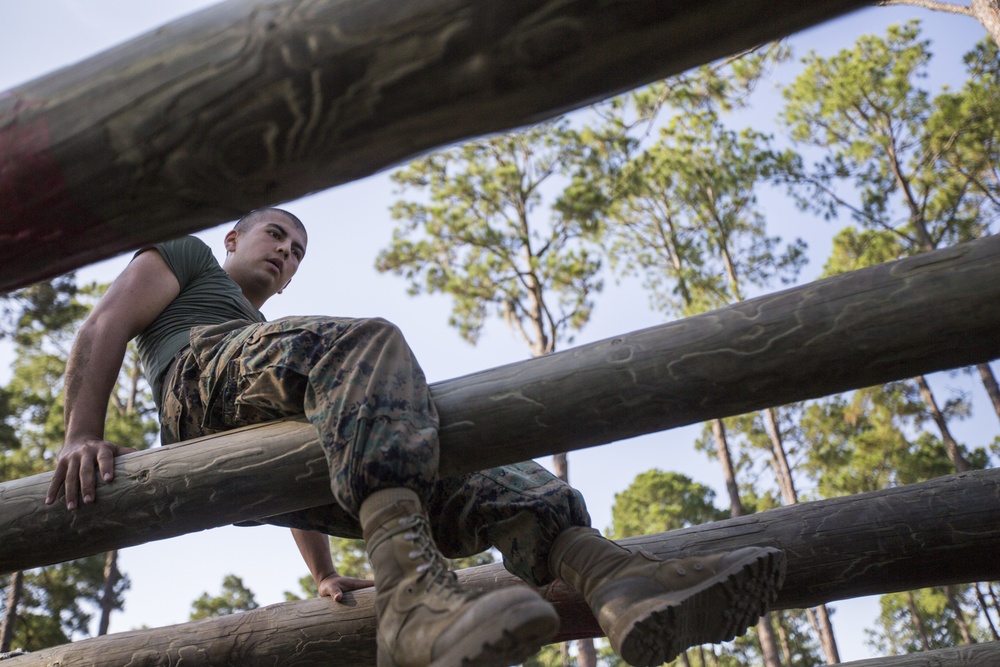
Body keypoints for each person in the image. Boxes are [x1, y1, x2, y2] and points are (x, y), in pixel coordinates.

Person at [46, 208, 785, 667]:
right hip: (199, 378)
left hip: (275, 425)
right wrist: (82, 434)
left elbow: (301, 462)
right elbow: (105, 322)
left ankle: (613, 577)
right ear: (233, 235)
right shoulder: (190, 259)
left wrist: (322, 573)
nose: (287, 252)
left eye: (299, 250)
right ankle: (410, 598)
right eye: (277, 234)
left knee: (460, 466)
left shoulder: (275, 343)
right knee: (367, 344)